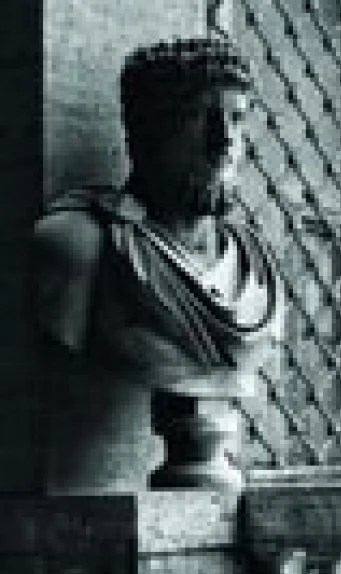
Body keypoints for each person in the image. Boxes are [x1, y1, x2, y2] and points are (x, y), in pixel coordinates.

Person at [33, 37, 283, 388]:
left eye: (237, 118)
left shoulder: (255, 263)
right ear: (146, 132)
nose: (226, 138)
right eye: (197, 115)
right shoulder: (81, 245)